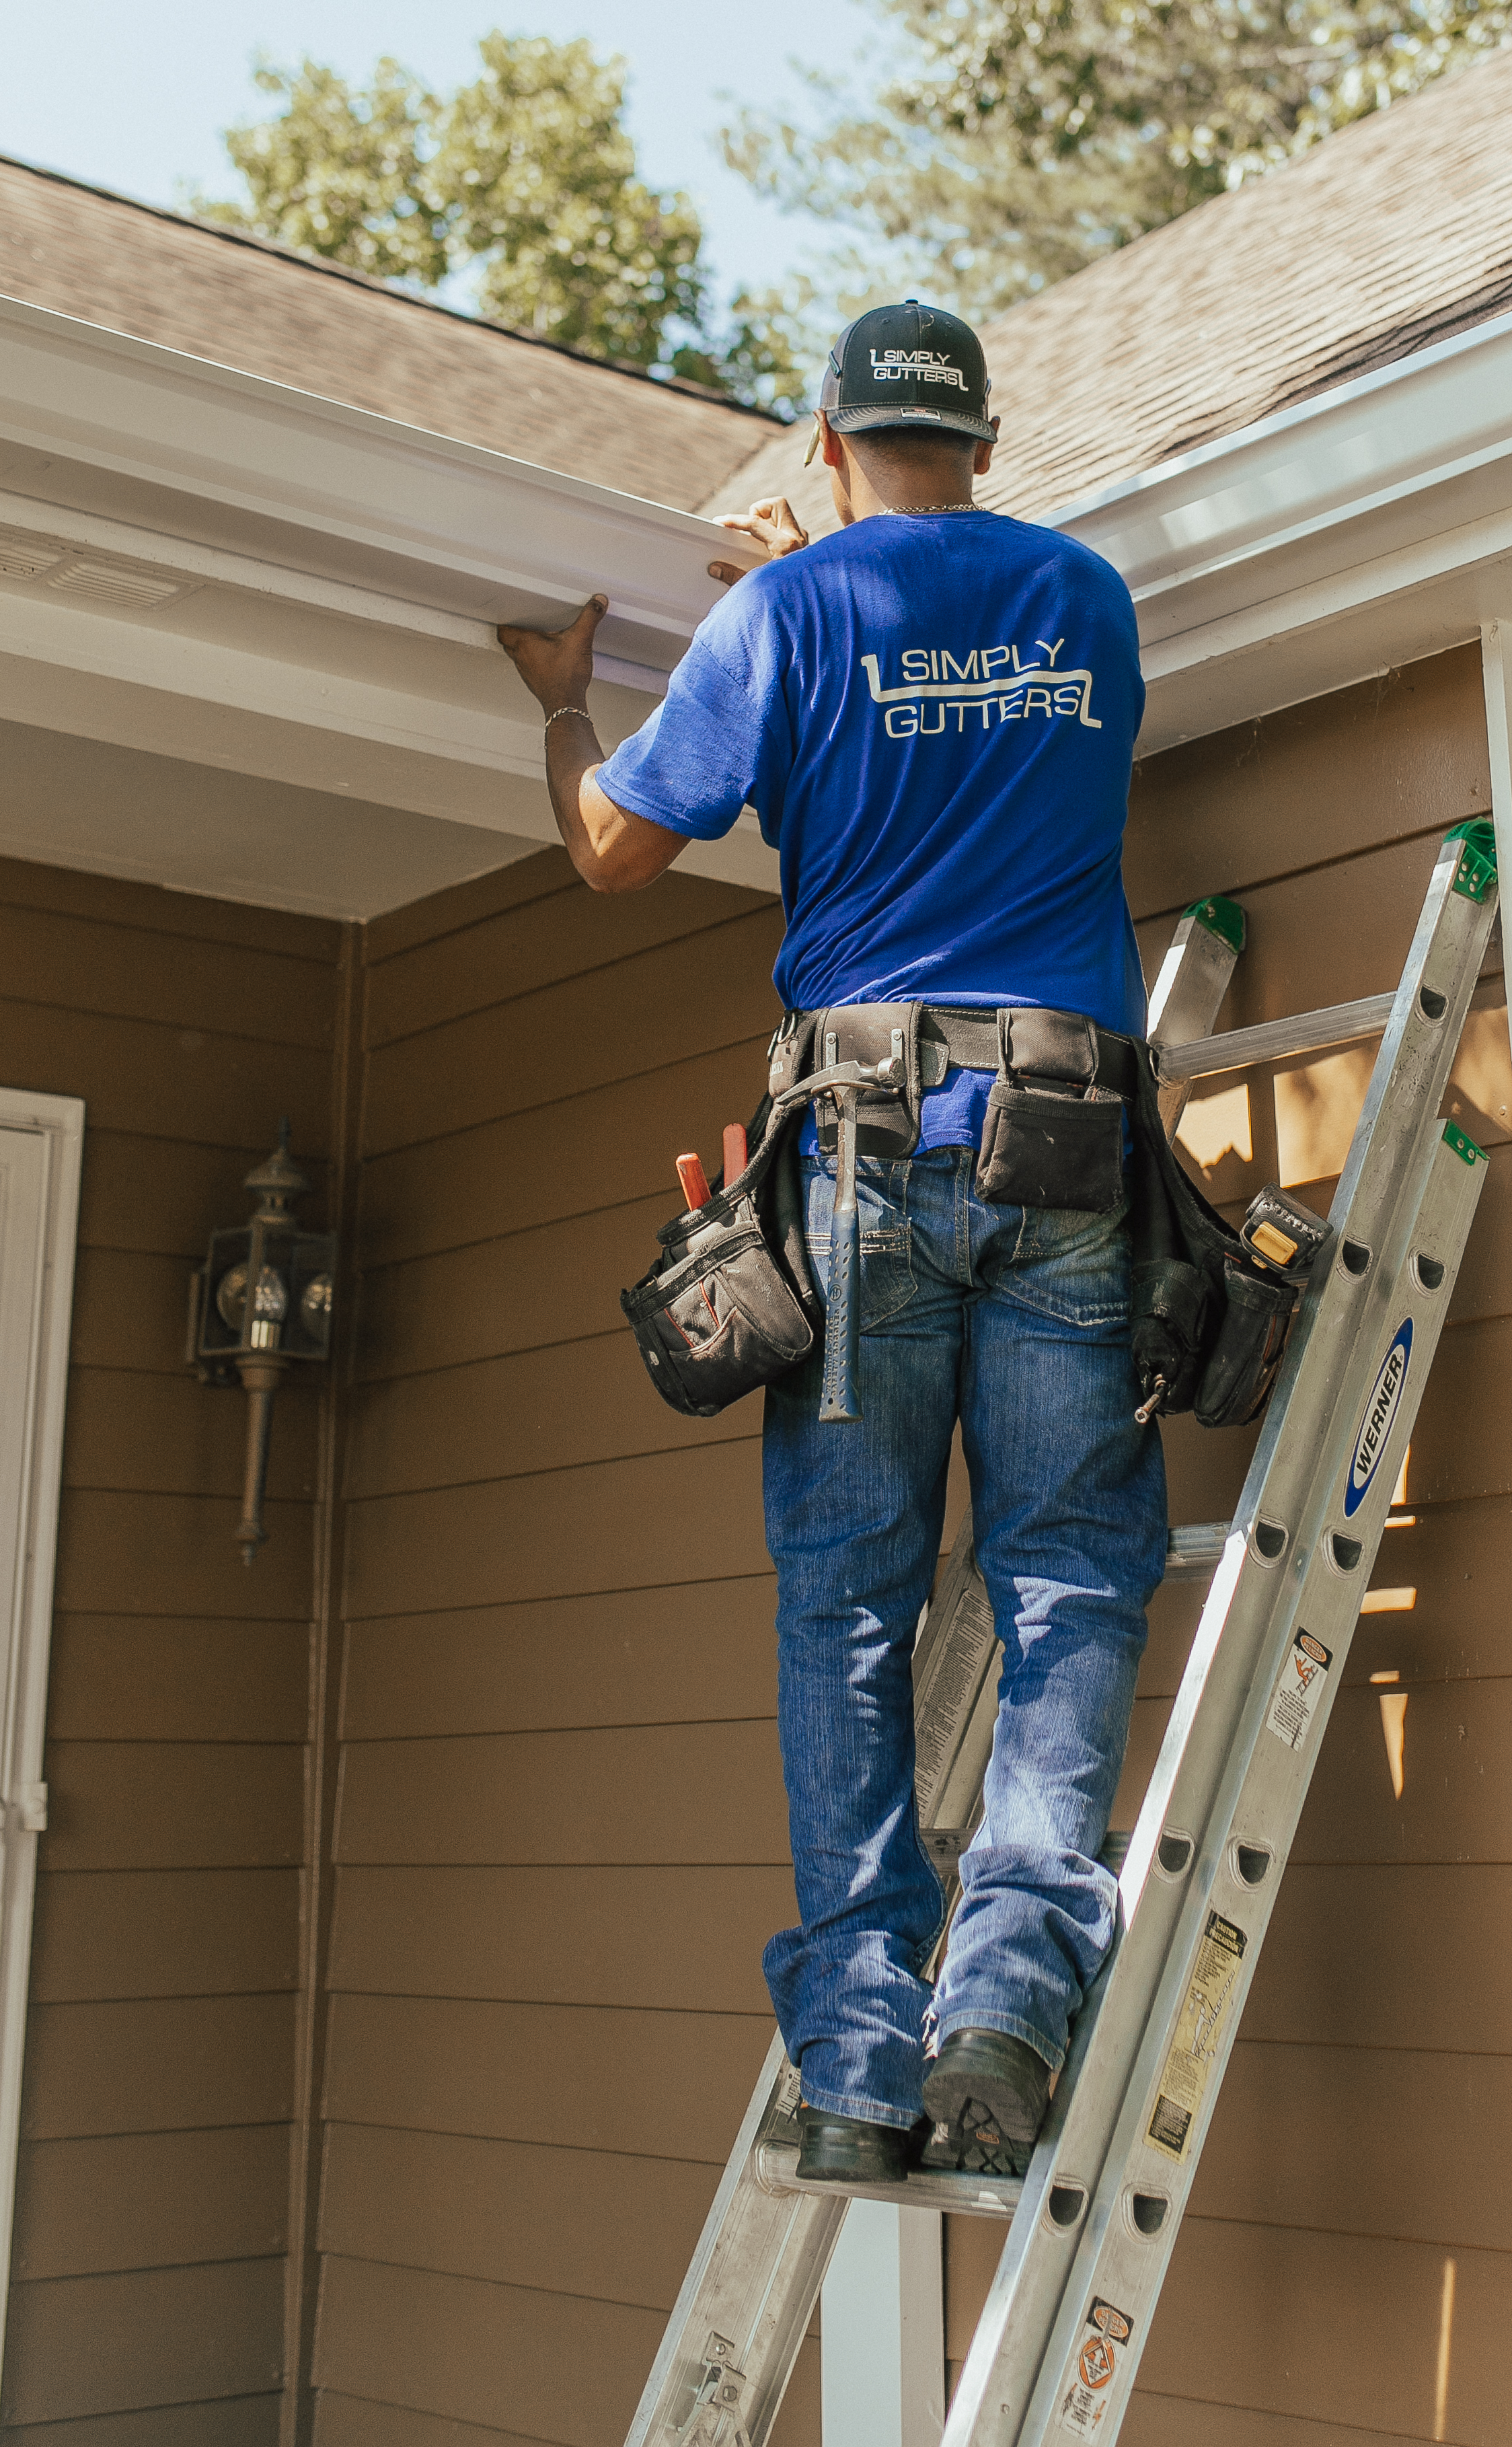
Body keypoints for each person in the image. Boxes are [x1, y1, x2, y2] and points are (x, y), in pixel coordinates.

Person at [497, 299, 1164, 2185]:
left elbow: (613, 853)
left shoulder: (789, 617)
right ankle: (1008, 2006)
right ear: (985, 440)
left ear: (823, 436)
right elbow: (964, 734)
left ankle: (865, 2055)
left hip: (866, 1152)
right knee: (1067, 1582)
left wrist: (565, 696)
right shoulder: (1088, 601)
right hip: (1063, 1145)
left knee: (853, 1603)